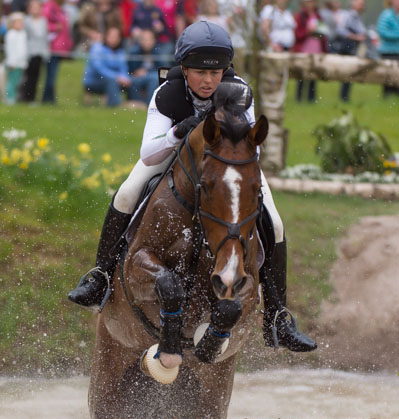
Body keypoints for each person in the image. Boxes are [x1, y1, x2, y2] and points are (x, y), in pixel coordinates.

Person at [68, 20, 316, 353]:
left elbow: (252, 148)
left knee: (276, 222)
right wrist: (181, 130)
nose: (208, 81)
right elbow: (148, 151)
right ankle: (100, 277)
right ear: (184, 69)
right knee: (128, 191)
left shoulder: (240, 91)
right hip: (173, 158)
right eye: (200, 72)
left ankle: (278, 317)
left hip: (228, 168)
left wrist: (230, 127)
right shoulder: (166, 93)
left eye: (215, 73)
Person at [83, 26, 138, 106]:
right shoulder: (97, 48)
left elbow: (123, 68)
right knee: (111, 81)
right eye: (111, 36)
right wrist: (117, 77)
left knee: (133, 81)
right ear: (106, 37)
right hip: (95, 81)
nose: (114, 39)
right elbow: (99, 69)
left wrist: (125, 78)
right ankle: (116, 104)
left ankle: (137, 104)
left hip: (113, 81)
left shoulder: (120, 52)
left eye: (116, 37)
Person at [293, 0, 327, 102]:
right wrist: (308, 31)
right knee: (301, 75)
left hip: (316, 48)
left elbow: (323, 34)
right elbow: (298, 34)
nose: (311, 4)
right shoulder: (300, 16)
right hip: (303, 49)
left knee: (313, 74)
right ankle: (299, 98)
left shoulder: (318, 16)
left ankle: (311, 98)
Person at [335, 0, 368, 102]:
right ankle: (343, 97)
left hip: (352, 47)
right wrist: (355, 37)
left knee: (350, 73)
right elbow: (340, 30)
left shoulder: (357, 17)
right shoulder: (348, 15)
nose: (362, 6)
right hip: (347, 47)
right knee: (347, 72)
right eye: (361, 4)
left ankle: (345, 97)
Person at [41, 0, 73, 103]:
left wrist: (67, 46)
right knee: (51, 75)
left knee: (52, 75)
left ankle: (48, 98)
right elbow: (42, 25)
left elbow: (65, 30)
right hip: (51, 48)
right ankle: (48, 99)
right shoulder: (48, 8)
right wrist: (55, 27)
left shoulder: (61, 10)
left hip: (60, 48)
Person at [20, 0, 49, 103]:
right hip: (28, 52)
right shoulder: (26, 21)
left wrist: (46, 52)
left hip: (39, 52)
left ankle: (31, 98)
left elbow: (44, 38)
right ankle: (23, 97)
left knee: (35, 77)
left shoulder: (43, 21)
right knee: (26, 76)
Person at [128, 28, 162, 105]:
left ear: (154, 40)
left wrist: (147, 72)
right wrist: (136, 72)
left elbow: (161, 69)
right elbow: (130, 69)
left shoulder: (158, 52)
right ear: (140, 41)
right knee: (133, 81)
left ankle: (150, 104)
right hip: (137, 77)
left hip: (153, 75)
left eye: (148, 39)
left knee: (154, 80)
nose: (146, 42)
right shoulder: (134, 52)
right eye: (144, 39)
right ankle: (138, 104)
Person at [4, 12, 28, 105]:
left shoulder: (23, 34)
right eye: (17, 22)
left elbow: (23, 49)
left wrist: (23, 62)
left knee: (17, 81)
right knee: (11, 81)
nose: (20, 24)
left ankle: (13, 96)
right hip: (12, 63)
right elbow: (10, 50)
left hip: (20, 63)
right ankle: (9, 97)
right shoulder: (11, 34)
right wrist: (12, 62)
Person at [377, 0, 399, 96]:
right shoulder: (386, 14)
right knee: (388, 77)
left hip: (397, 51)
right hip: (388, 51)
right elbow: (382, 32)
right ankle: (388, 97)